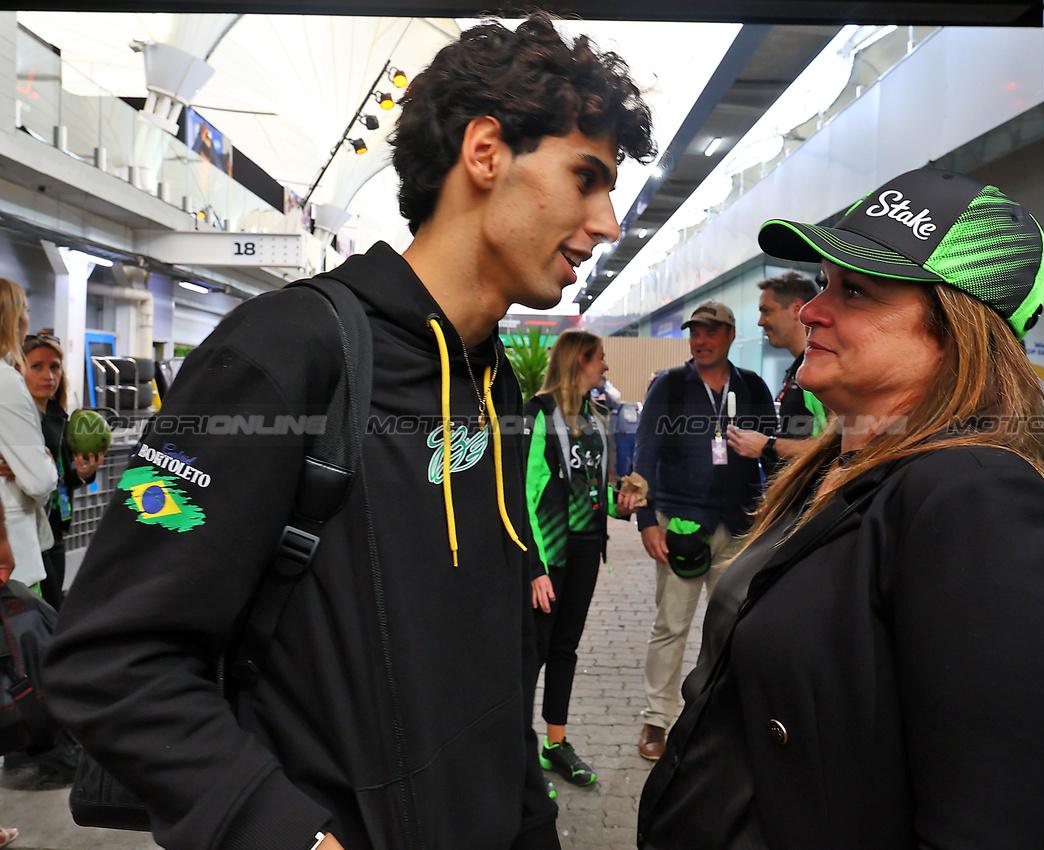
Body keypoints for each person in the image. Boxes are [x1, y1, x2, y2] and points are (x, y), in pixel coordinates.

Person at [44, 15, 654, 850]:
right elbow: (111, 657)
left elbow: (495, 667)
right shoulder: (282, 352)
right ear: (485, 152)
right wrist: (288, 835)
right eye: (586, 178)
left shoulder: (494, 385)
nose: (608, 221)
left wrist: (530, 824)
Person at [638, 167, 1044, 849]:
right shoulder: (834, 469)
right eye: (824, 283)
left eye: (856, 290)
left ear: (956, 328)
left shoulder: (981, 504)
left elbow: (996, 823)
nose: (812, 311)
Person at [633, 299, 774, 761]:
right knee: (671, 625)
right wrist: (646, 521)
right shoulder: (671, 385)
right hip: (681, 525)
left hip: (739, 524)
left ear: (730, 335)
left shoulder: (752, 387)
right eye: (695, 332)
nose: (701, 340)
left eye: (711, 331)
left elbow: (773, 458)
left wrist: (772, 520)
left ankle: (720, 717)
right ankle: (657, 720)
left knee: (732, 627)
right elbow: (645, 452)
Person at [523, 329, 633, 787]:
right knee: (533, 653)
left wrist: (620, 505)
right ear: (581, 360)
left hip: (587, 548)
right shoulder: (537, 413)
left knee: (565, 648)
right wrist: (535, 569)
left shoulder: (594, 415)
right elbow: (523, 495)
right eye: (600, 358)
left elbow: (590, 486)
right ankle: (517, 753)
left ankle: (555, 745)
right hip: (549, 555)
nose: (605, 366)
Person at [21, 333, 102, 610]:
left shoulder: (60, 419)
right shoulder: (15, 421)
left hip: (55, 527)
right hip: (26, 529)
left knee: (52, 606)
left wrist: (83, 474)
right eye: (37, 367)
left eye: (54, 367)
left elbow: (62, 477)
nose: (49, 376)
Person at [726, 270, 824, 464]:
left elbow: (835, 447)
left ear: (796, 309)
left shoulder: (819, 369)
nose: (760, 321)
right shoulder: (798, 368)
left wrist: (768, 445)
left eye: (767, 311)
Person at [0, 279, 58, 592]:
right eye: (25, 311)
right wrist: (44, 458)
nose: (27, 320)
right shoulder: (6, 381)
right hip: (13, 559)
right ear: (11, 319)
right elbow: (39, 481)